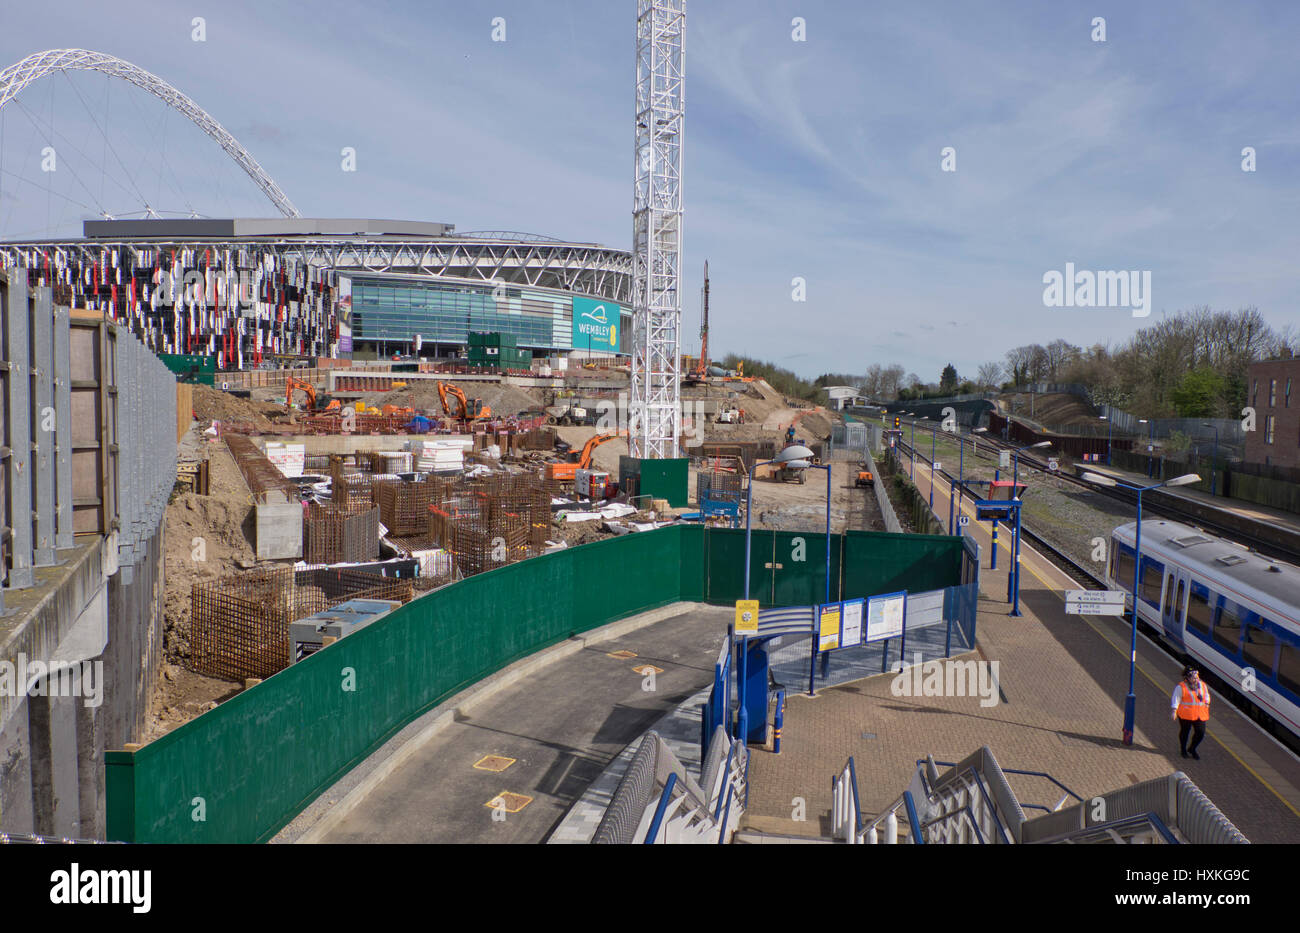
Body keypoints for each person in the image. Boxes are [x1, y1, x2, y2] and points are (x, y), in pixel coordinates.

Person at [1171, 665, 1210, 759]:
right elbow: (1176, 698)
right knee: (1185, 732)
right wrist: (1174, 710)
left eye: (1196, 676)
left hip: (1200, 714)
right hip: (1186, 715)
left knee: (1201, 732)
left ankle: (1192, 748)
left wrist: (1207, 703)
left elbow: (1206, 695)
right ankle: (1183, 749)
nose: (1195, 679)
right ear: (1187, 678)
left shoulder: (1202, 685)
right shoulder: (1181, 687)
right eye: (1193, 677)